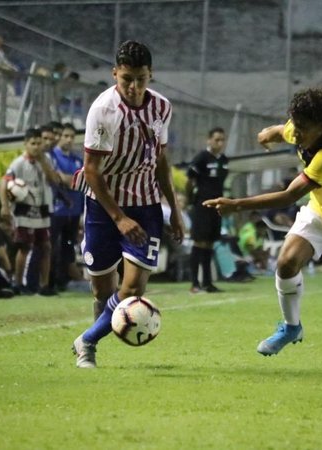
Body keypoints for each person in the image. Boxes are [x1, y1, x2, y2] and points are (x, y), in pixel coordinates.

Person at [204, 88, 322, 374]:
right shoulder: (302, 127)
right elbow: (280, 130)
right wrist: (267, 135)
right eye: (294, 125)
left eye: (303, 130)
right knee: (286, 262)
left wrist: (236, 204)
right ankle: (291, 327)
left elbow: (287, 196)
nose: (296, 134)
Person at [70, 40, 184, 368]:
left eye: (141, 79)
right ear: (115, 74)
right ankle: (96, 337)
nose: (134, 87)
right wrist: (118, 218)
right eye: (127, 79)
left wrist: (173, 210)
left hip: (146, 204)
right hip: (103, 207)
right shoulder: (103, 110)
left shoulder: (162, 107)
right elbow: (91, 171)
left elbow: (161, 161)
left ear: (151, 76)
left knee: (132, 288)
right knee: (102, 291)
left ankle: (87, 342)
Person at [0, 127, 61, 296]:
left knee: (46, 246)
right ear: (25, 144)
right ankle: (18, 284)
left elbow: (53, 180)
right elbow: (4, 182)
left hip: (42, 210)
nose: (36, 147)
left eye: (39, 143)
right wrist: (4, 205)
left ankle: (44, 285)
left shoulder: (46, 160)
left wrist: (43, 162)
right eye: (33, 143)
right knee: (24, 246)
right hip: (24, 210)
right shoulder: (18, 163)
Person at [185, 127, 229, 293]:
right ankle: (195, 283)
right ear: (209, 140)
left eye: (222, 140)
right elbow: (190, 181)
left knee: (210, 243)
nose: (220, 143)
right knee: (199, 241)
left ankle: (208, 283)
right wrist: (191, 200)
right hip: (202, 205)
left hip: (217, 207)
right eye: (217, 139)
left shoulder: (224, 160)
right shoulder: (201, 158)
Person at [50, 122, 85, 291]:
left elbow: (82, 182)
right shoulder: (52, 157)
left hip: (75, 210)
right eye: (66, 136)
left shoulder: (78, 159)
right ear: (60, 137)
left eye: (72, 137)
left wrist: (69, 180)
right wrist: (71, 180)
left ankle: (63, 281)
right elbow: (59, 179)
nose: (69, 140)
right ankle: (50, 281)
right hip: (57, 210)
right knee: (51, 246)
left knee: (68, 247)